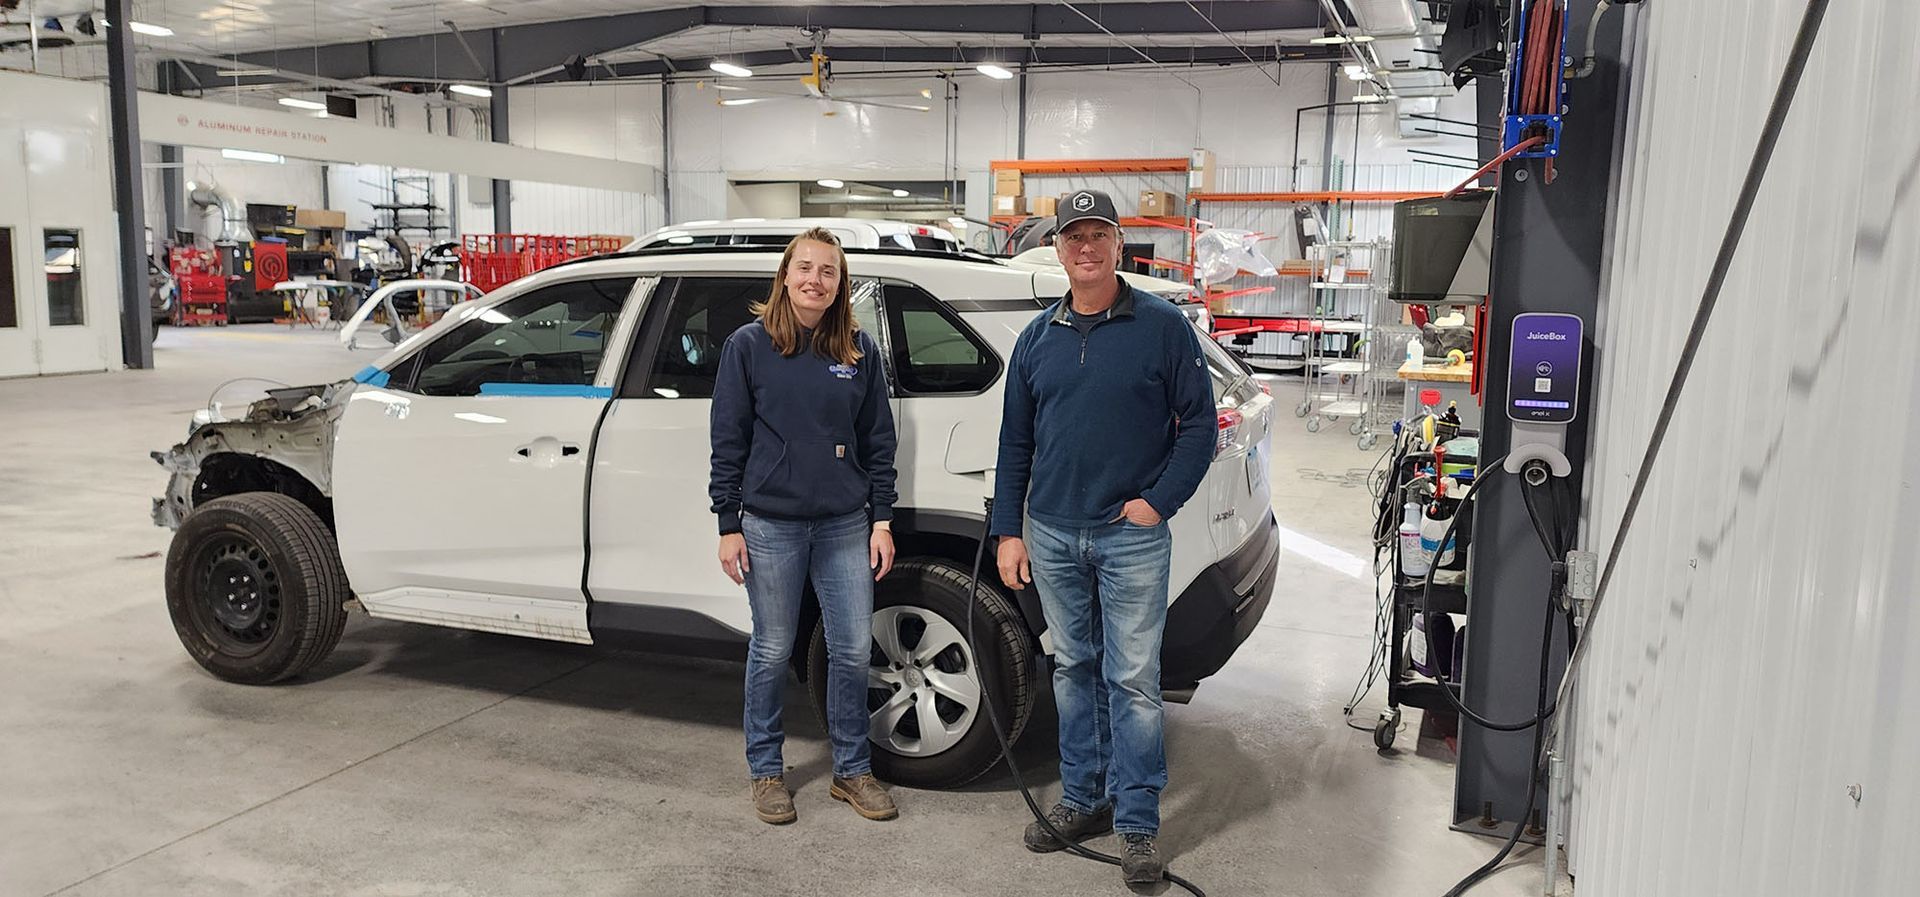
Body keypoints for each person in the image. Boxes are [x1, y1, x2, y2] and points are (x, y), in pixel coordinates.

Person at [990, 189, 1214, 885]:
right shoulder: (1036, 339)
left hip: (1130, 536)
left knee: (1134, 679)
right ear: (1057, 249)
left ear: (1120, 245)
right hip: (1052, 532)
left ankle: (1138, 823)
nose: (1085, 248)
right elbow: (1015, 441)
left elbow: (1200, 426)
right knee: (1074, 668)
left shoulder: (1161, 327)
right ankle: (1084, 797)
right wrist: (1008, 531)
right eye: (1073, 237)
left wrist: (1157, 502)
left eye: (1099, 235)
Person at [709, 227, 901, 826]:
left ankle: (852, 770)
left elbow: (878, 439)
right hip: (770, 525)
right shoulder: (749, 346)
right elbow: (728, 438)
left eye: (828, 271)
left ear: (840, 284)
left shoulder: (857, 351)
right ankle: (766, 771)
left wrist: (883, 519)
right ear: (785, 275)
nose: (815, 280)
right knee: (770, 649)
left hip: (846, 523)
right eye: (806, 268)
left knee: (849, 649)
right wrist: (728, 521)